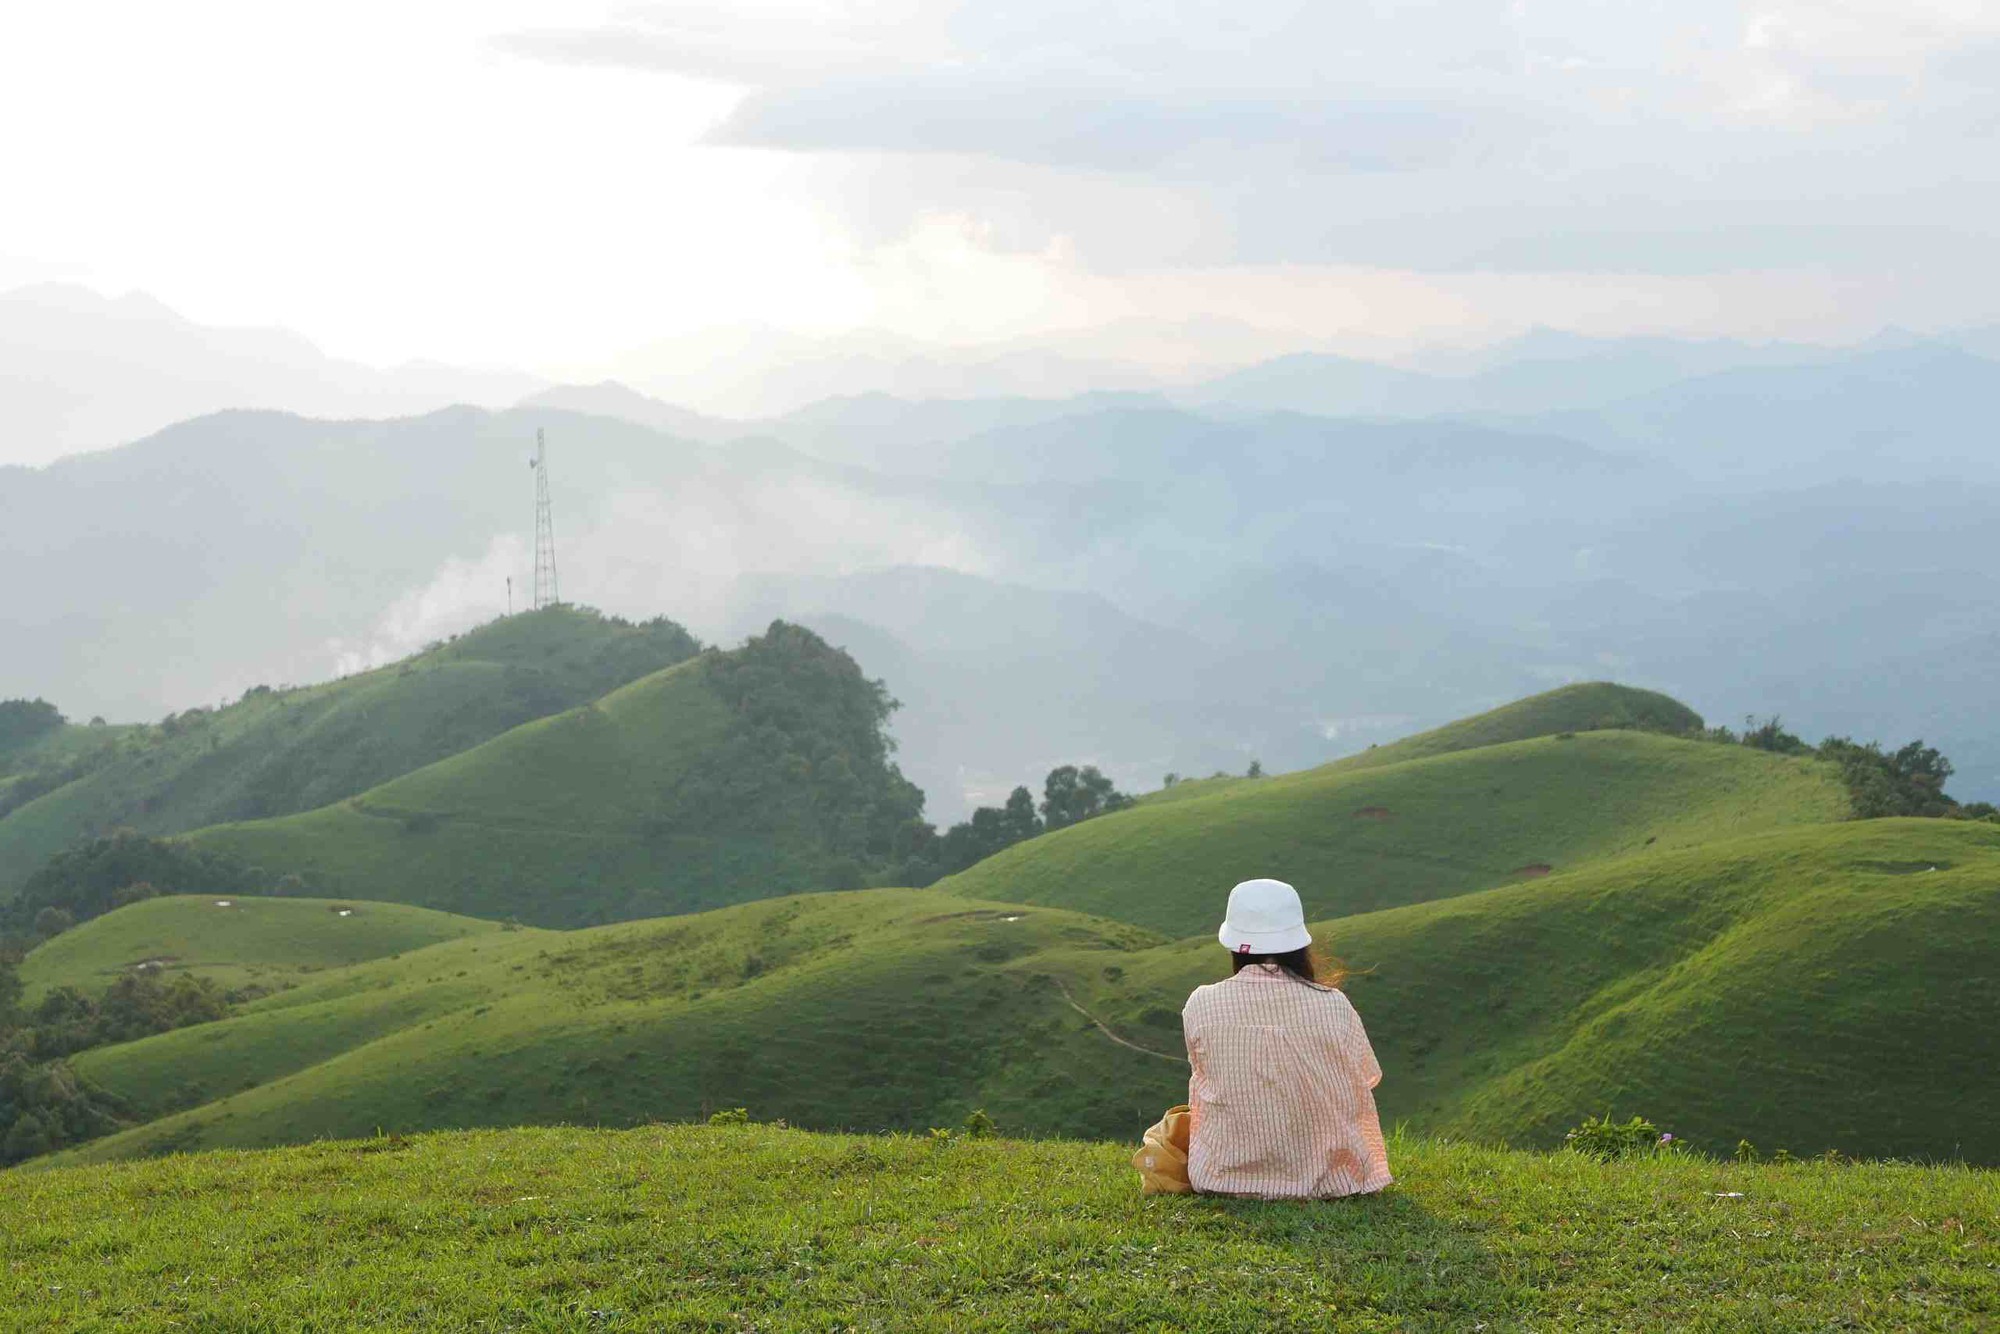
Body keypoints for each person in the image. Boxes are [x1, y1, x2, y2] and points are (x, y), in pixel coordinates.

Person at [1180, 877, 1392, 1199]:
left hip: (1223, 1179)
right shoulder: (1334, 1005)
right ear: (1299, 944)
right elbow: (1367, 1076)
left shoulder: (1201, 1004)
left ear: (1234, 944)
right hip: (1333, 1182)